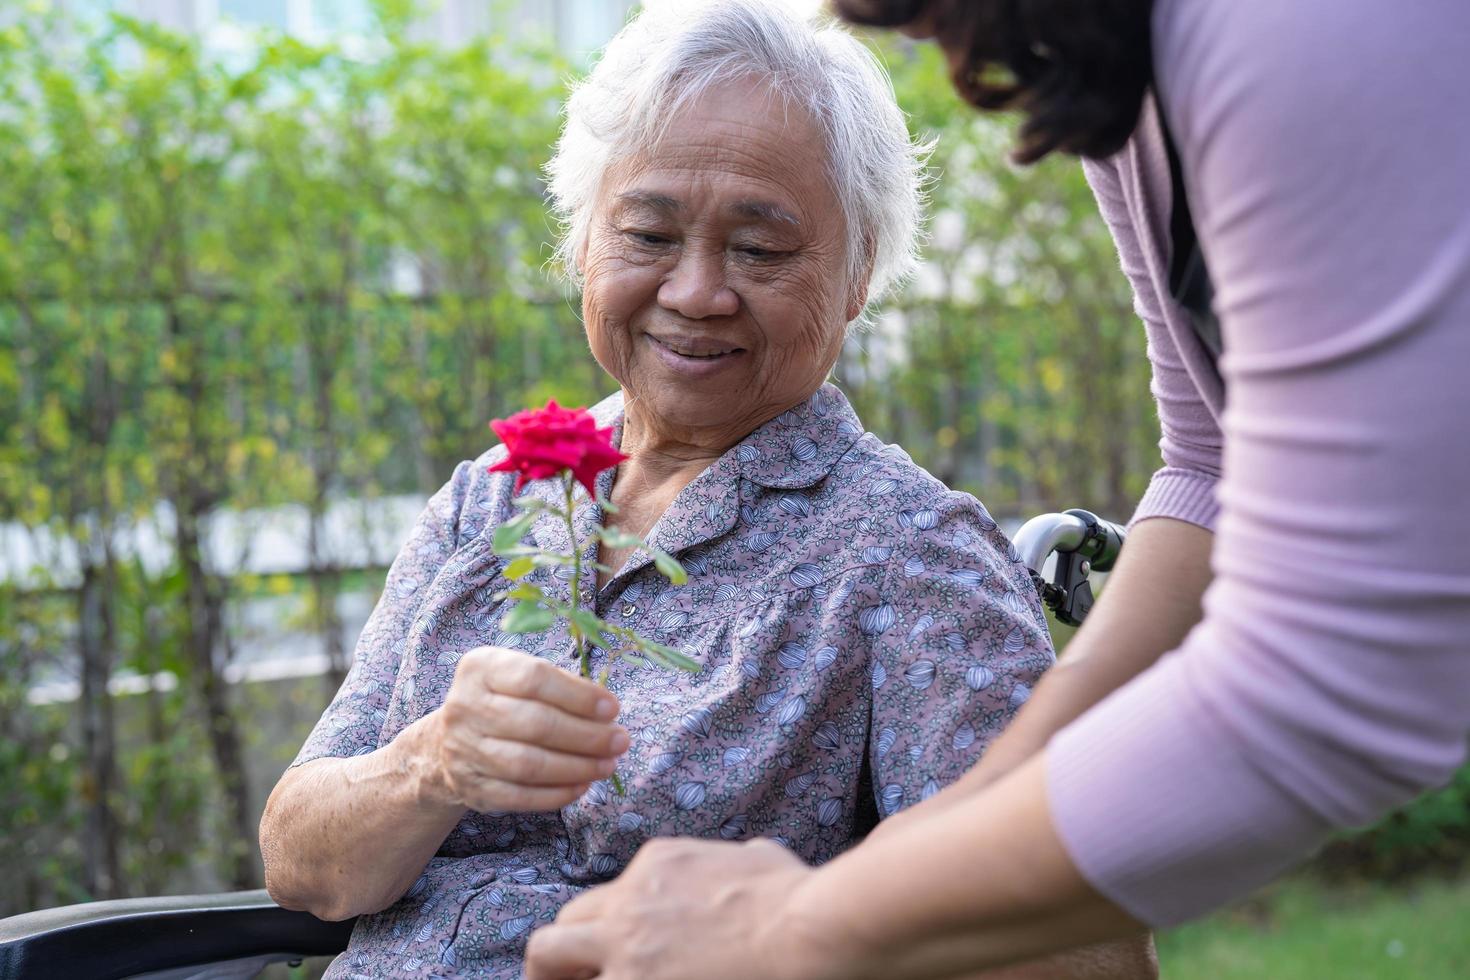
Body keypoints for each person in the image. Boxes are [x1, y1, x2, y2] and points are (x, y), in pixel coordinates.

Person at [523, 0, 1470, 977]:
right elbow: (1208, 466)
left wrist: (804, 922)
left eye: (761, 248)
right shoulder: (1130, 94)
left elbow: (1341, 673)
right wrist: (970, 817)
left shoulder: (1305, 31)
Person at [259, 2, 1154, 976]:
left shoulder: (906, 554)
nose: (696, 291)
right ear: (582, 244)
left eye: (760, 249)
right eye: (648, 232)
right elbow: (304, 863)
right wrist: (430, 762)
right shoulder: (495, 499)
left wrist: (801, 931)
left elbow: (1085, 944)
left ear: (858, 274)